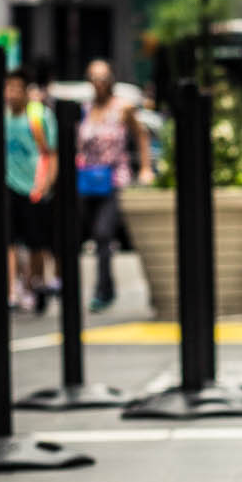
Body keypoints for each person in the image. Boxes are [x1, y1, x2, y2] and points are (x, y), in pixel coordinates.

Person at [78, 61, 151, 311]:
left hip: (114, 178)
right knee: (92, 236)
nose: (98, 84)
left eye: (103, 78)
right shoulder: (86, 109)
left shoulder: (123, 108)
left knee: (103, 233)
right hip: (87, 179)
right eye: (93, 78)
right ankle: (104, 288)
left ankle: (103, 289)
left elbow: (142, 135)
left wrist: (145, 167)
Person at [3, 68, 54, 313]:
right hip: (8, 186)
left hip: (34, 186)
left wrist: (45, 185)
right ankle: (12, 290)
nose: (11, 93)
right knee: (9, 240)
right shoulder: (1, 117)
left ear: (25, 91)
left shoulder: (38, 116)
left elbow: (51, 153)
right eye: (8, 88)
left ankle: (35, 284)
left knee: (36, 244)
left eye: (16, 88)